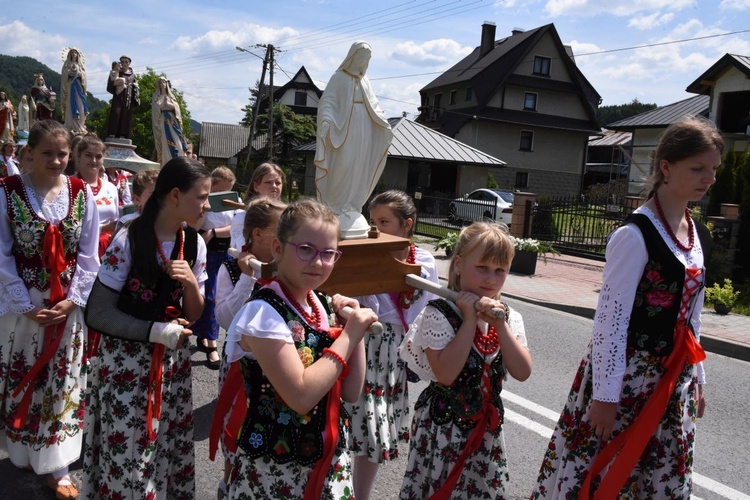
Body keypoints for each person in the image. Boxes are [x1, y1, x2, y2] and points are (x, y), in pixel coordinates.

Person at [531, 117, 722, 499]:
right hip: (628, 380)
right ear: (666, 167)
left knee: (658, 478)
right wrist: (604, 397)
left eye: (713, 169)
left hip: (673, 381)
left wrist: (697, 376)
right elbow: (609, 325)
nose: (710, 178)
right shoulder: (634, 235)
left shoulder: (697, 233)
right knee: (606, 473)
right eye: (698, 168)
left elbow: (693, 316)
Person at [224, 198, 376, 499]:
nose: (318, 262)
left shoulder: (318, 302)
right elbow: (301, 396)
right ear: (278, 249)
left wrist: (350, 330)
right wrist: (350, 336)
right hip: (275, 468)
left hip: (327, 457)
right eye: (305, 249)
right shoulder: (263, 313)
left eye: (328, 253)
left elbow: (350, 391)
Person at [82, 157, 210, 500]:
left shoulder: (195, 244)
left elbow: (194, 314)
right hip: (126, 366)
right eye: (201, 196)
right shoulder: (128, 240)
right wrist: (156, 331)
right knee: (129, 453)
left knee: (164, 447)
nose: (207, 204)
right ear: (174, 196)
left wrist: (191, 286)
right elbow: (98, 313)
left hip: (170, 368)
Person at [0, 119, 100, 500]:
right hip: (21, 310)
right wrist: (24, 305)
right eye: (48, 153)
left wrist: (72, 300)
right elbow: (1, 254)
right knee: (20, 377)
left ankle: (57, 466)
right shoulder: (7, 193)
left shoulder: (80, 193)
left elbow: (89, 255)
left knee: (62, 380)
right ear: (28, 154)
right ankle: (24, 450)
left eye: (62, 153)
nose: (57, 160)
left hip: (65, 308)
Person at [399, 222, 532, 499]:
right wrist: (469, 319)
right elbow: (446, 374)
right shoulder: (439, 313)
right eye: (482, 267)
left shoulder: (507, 316)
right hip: (443, 429)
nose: (491, 279)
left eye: (500, 271)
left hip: (486, 430)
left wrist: (501, 326)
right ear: (458, 264)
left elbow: (522, 371)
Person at [347, 190, 439, 499]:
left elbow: (427, 310)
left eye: (384, 221)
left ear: (406, 225)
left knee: (375, 427)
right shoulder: (361, 254)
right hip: (365, 343)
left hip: (395, 350)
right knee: (360, 421)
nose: (375, 229)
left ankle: (359, 494)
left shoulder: (423, 261)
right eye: (372, 221)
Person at [210, 196, 286, 499]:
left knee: (268, 432)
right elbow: (226, 318)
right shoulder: (231, 268)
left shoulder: (288, 271)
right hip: (241, 367)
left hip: (277, 366)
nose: (288, 237)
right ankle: (228, 483)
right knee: (236, 426)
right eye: (281, 230)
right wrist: (247, 277)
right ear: (258, 234)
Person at [314, 41, 392, 238]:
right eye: (361, 57)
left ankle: (351, 206)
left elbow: (374, 104)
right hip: (342, 131)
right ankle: (335, 206)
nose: (363, 62)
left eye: (366, 59)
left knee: (358, 166)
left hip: (364, 127)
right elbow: (328, 102)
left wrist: (383, 122)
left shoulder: (365, 81)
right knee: (343, 165)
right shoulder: (338, 78)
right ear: (352, 56)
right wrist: (325, 121)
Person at [195, 166, 236, 369]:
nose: (224, 196)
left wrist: (213, 231)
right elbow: (194, 226)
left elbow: (235, 226)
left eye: (229, 190)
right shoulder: (203, 200)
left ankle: (211, 340)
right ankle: (209, 340)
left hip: (226, 251)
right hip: (207, 251)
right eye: (221, 190)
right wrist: (205, 208)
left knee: (221, 295)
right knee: (207, 294)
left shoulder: (235, 202)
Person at [74, 135, 119, 256]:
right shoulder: (69, 185)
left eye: (98, 156)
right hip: (78, 248)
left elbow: (115, 222)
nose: (93, 160)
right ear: (79, 157)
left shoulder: (111, 188)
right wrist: (101, 228)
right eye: (88, 155)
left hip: (107, 249)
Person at [229, 162, 285, 250]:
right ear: (255, 186)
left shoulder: (287, 216)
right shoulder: (242, 217)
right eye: (268, 182)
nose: (274, 186)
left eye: (278, 183)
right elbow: (239, 247)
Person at [152, 76, 188, 165]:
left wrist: (168, 104)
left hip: (172, 119)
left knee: (177, 140)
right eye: (160, 83)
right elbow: (156, 109)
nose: (162, 84)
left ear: (166, 84)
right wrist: (162, 105)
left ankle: (179, 158)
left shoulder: (171, 96)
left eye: (163, 82)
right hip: (162, 121)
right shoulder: (156, 96)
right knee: (164, 141)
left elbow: (176, 108)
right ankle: (166, 161)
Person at [106, 55, 138, 139]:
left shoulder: (132, 75)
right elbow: (109, 85)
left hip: (128, 97)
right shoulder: (116, 72)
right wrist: (115, 84)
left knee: (126, 115)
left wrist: (134, 87)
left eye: (126, 62)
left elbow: (135, 86)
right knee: (116, 113)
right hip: (118, 97)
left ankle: (123, 134)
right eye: (122, 62)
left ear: (129, 63)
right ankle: (113, 133)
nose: (124, 64)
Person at [60, 48, 90, 135]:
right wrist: (69, 73)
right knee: (70, 104)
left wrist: (80, 74)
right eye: (72, 53)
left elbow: (84, 76)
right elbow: (64, 75)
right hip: (70, 86)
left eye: (75, 53)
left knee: (80, 104)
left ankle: (80, 125)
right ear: (69, 55)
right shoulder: (67, 64)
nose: (74, 54)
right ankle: (70, 125)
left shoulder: (80, 65)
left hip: (79, 87)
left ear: (78, 55)